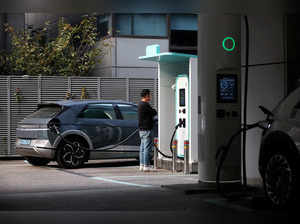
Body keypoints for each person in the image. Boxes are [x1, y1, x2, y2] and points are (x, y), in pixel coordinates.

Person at [138, 89, 157, 172]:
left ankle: (141, 165)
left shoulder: (139, 104)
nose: (150, 97)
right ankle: (146, 165)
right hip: (147, 129)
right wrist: (153, 110)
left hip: (141, 129)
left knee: (142, 148)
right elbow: (154, 112)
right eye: (149, 95)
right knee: (147, 148)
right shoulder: (145, 105)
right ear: (146, 95)